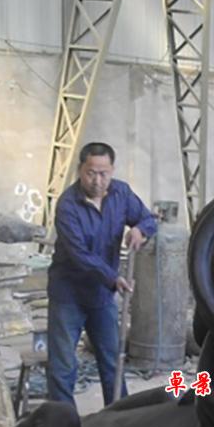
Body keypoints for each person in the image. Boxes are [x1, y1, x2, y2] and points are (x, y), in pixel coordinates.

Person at [47, 141, 157, 407]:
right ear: (80, 170)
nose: (98, 181)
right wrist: (113, 278)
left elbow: (148, 219)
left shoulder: (121, 193)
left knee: (113, 360)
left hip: (101, 295)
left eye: (104, 173)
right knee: (63, 364)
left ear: (112, 171)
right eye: (91, 173)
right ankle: (64, 421)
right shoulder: (67, 205)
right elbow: (80, 255)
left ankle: (120, 417)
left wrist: (140, 230)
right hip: (69, 294)